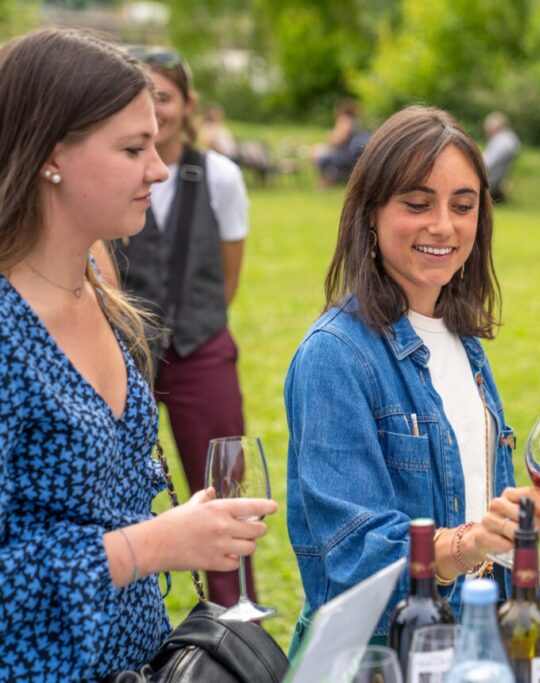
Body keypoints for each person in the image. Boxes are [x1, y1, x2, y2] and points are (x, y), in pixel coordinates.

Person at [0, 28, 276, 680]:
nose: (158, 167)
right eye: (133, 147)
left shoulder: (100, 294)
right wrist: (156, 543)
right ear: (49, 154)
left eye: (156, 141)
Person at [285, 105, 540, 652]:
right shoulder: (334, 357)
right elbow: (355, 557)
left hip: (473, 645)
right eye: (417, 203)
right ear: (370, 213)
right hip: (382, 658)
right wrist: (469, 543)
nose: (443, 226)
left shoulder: (463, 341)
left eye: (463, 206)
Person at [110, 46, 255, 608]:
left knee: (224, 487)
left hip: (202, 346)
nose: (154, 109)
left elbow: (228, 274)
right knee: (121, 490)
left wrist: (194, 321)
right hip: (129, 355)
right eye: (141, 96)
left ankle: (235, 619)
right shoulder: (110, 172)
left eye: (163, 97)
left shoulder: (219, 175)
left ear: (188, 103)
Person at [313, 97, 371, 187]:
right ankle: (328, 180)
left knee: (318, 154)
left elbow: (338, 139)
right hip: (350, 154)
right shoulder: (356, 121)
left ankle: (325, 181)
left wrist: (330, 138)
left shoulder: (344, 121)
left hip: (344, 155)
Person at [482, 111, 520, 203]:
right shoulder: (510, 140)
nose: (487, 134)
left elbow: (485, 164)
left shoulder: (501, 143)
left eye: (488, 130)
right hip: (497, 181)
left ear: (494, 128)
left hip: (490, 182)